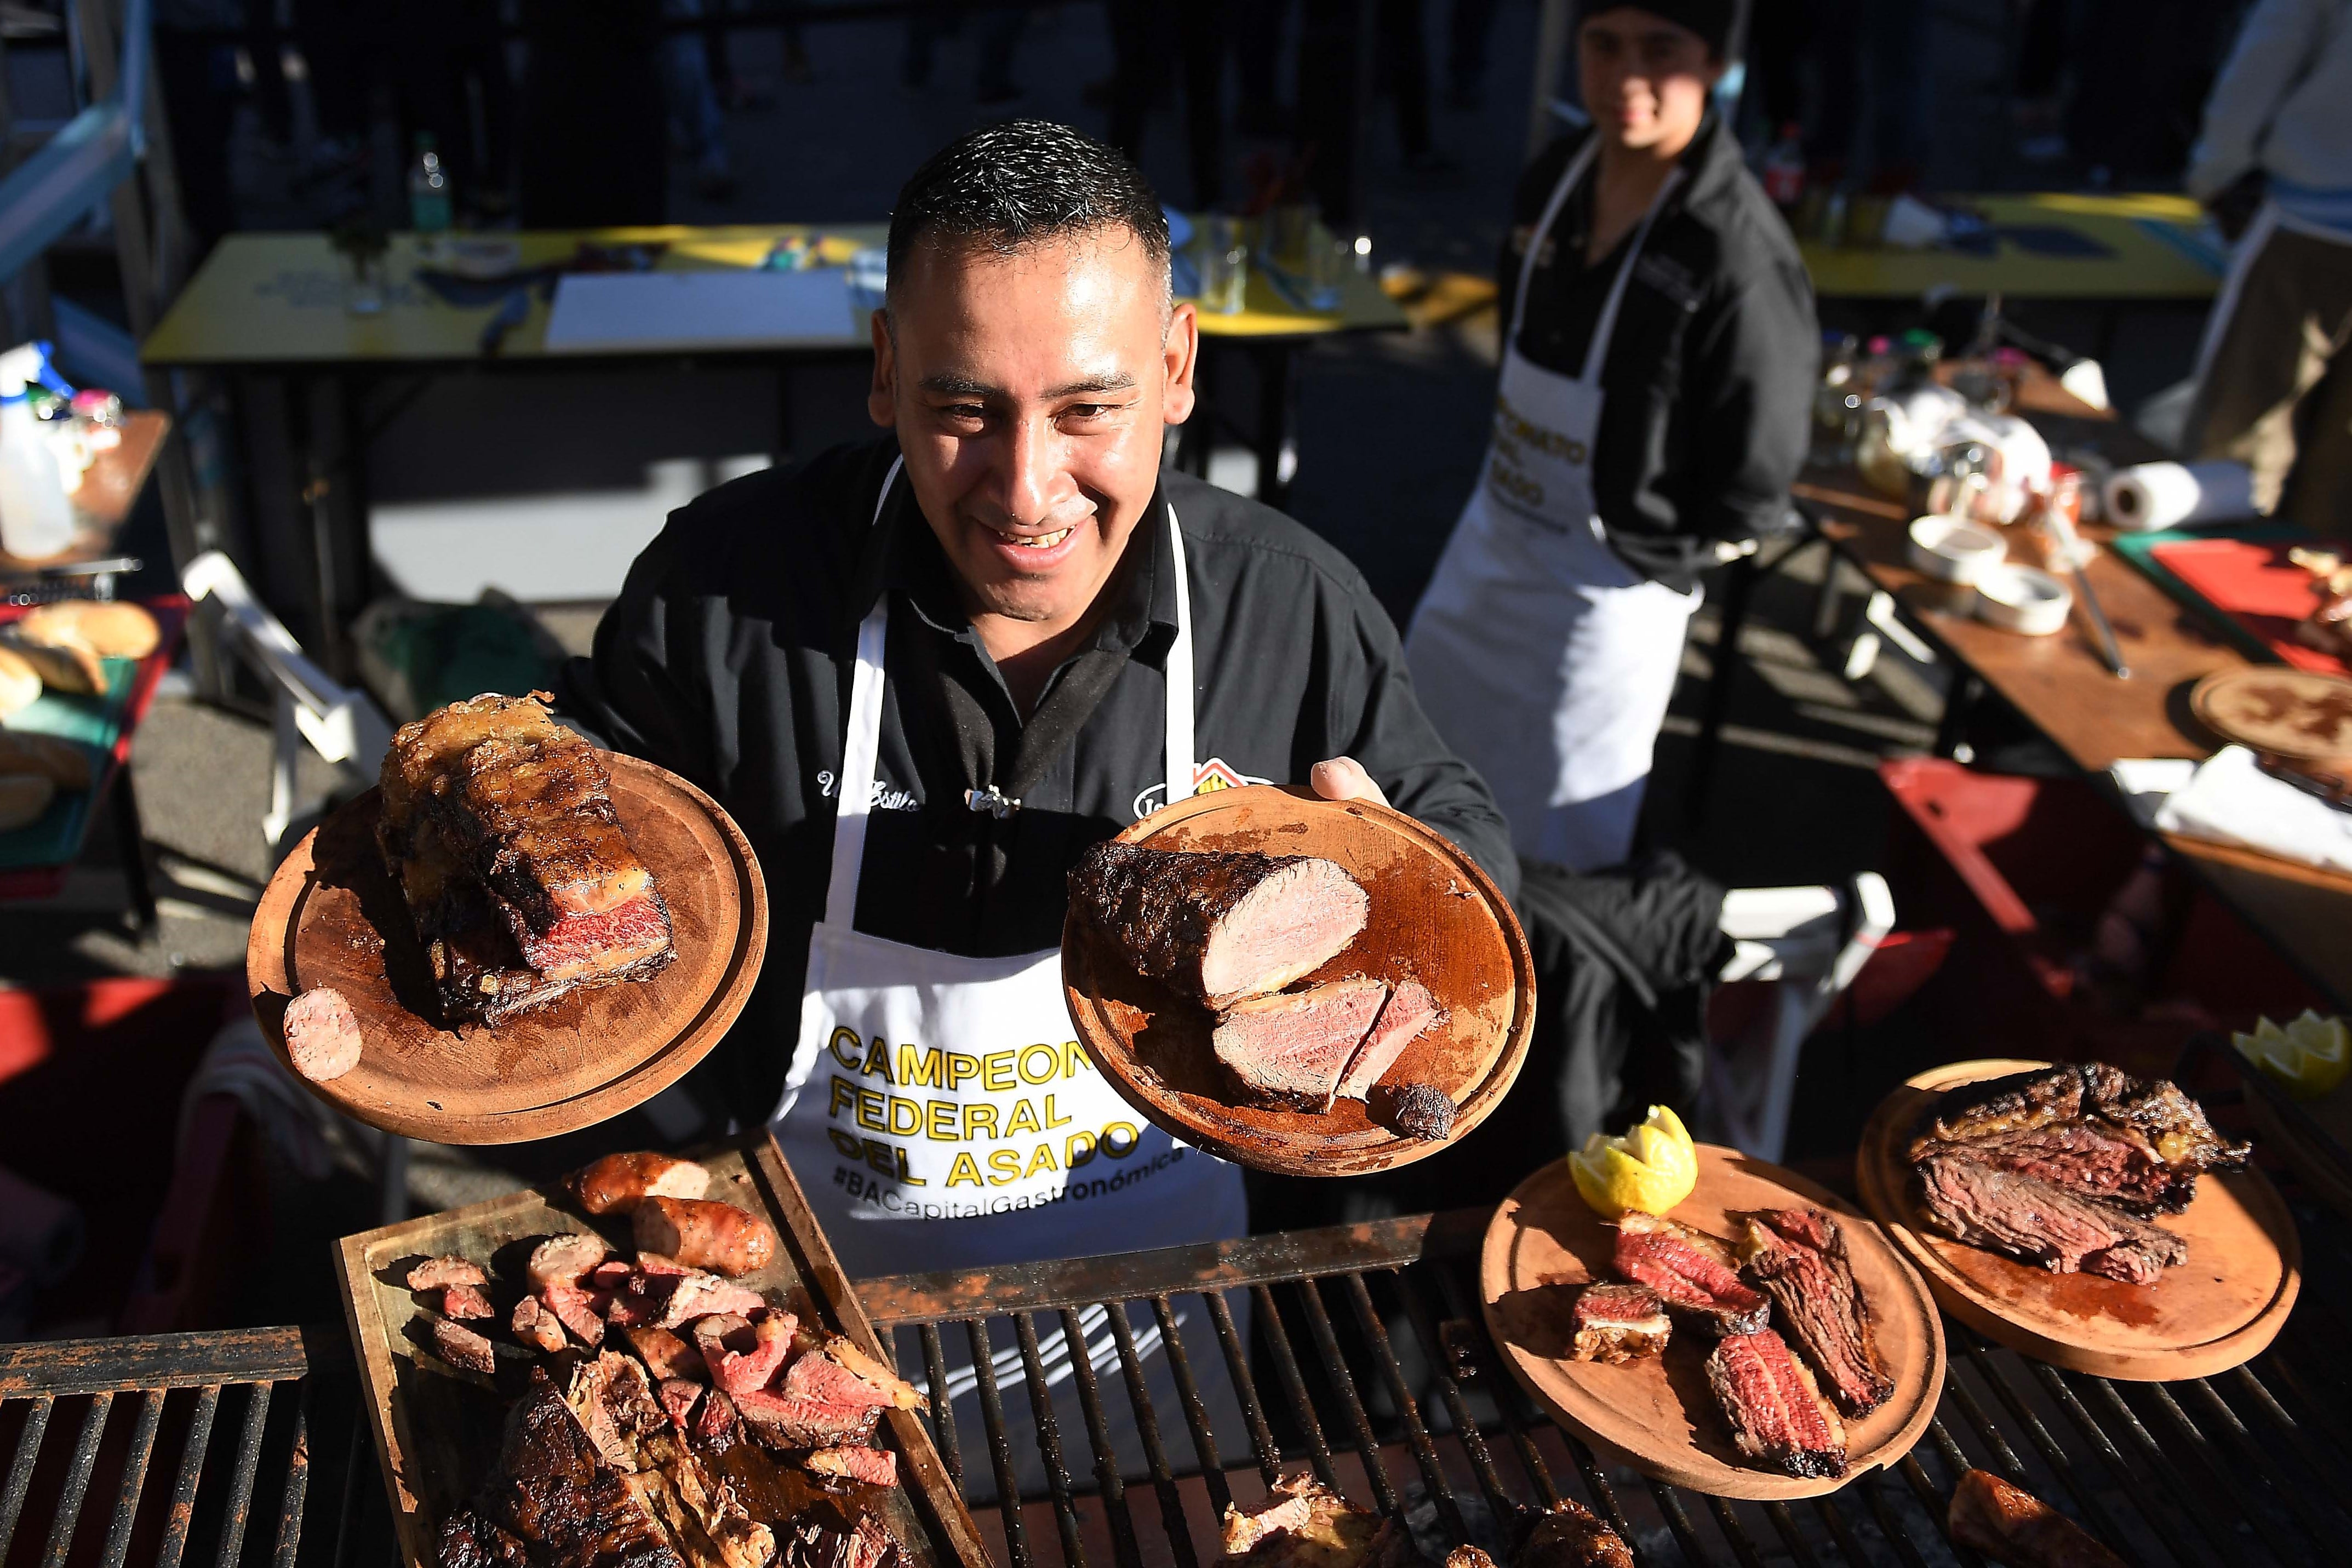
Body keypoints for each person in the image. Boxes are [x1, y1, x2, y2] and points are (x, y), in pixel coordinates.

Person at [561, 119, 1513, 1483]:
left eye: (1086, 409)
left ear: (1178, 367)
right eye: (965, 408)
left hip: (1156, 1344)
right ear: (884, 368)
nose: (1025, 489)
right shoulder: (728, 586)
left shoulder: (1284, 601)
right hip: (805, 1333)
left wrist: (1402, 887)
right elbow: (585, 845)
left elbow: (1459, 842)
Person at [1404, 0, 1815, 873]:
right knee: (1414, 798)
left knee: (1542, 870)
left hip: (1603, 602)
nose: (1627, 77)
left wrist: (1653, 531)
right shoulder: (1554, 179)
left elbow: (1754, 473)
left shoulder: (1733, 252)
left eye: (1660, 49)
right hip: (1488, 550)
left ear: (1713, 64)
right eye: (1603, 45)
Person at [2180, 0, 2352, 538]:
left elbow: (2262, 62)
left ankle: (2210, 596)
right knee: (2336, 481)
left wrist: (2216, 176)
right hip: (2313, 212)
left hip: (2308, 219)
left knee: (2238, 452)